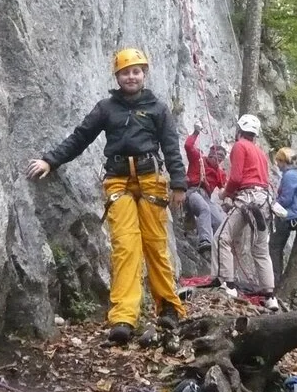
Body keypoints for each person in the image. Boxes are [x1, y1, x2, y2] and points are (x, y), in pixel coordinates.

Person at [26, 48, 187, 345]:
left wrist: (179, 184)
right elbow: (80, 137)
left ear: (144, 74)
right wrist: (51, 160)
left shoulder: (158, 109)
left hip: (151, 181)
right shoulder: (106, 108)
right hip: (118, 182)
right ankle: (124, 317)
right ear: (117, 76)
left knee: (155, 245)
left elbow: (171, 146)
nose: (131, 76)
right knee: (126, 247)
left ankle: (168, 308)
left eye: (136, 71)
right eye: (125, 72)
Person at [215, 113, 279, 310]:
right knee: (260, 248)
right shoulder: (260, 152)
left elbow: (235, 178)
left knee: (221, 237)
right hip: (264, 201)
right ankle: (270, 296)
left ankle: (228, 284)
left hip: (248, 199)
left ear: (239, 130)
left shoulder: (240, 146)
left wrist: (225, 194)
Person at [183, 126, 227, 259]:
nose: (219, 159)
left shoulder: (220, 173)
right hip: (193, 192)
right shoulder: (199, 159)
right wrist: (196, 131)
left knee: (220, 220)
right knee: (204, 209)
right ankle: (205, 241)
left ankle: (217, 246)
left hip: (206, 197)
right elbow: (188, 146)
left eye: (222, 157)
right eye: (218, 155)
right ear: (211, 153)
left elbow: (225, 188)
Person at [269, 147, 297, 284]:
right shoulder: (295, 173)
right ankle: (276, 278)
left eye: (278, 161)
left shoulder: (290, 176)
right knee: (277, 246)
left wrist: (273, 205)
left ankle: (274, 280)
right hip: (294, 215)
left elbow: (286, 199)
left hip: (288, 216)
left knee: (274, 246)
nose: (276, 164)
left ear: (283, 161)